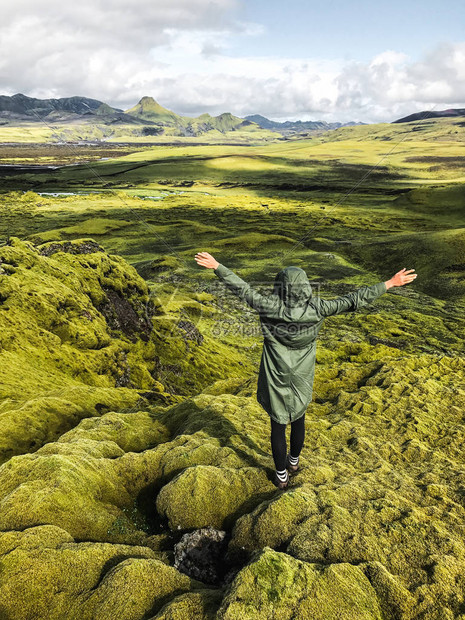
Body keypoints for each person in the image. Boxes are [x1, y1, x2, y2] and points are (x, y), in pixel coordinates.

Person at [194, 251, 417, 490]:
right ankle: (294, 463)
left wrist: (218, 266)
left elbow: (243, 289)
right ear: (305, 287)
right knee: (298, 417)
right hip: (302, 374)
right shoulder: (319, 308)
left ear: (280, 286)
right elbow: (354, 299)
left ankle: (281, 476)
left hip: (275, 373)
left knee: (277, 424)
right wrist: (390, 283)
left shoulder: (269, 306)